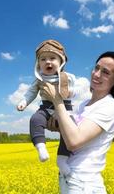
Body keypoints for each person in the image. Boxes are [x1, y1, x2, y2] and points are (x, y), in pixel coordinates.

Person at [41, 51, 114, 194]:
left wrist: (57, 100)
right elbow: (75, 135)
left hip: (83, 183)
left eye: (105, 72)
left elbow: (74, 141)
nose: (96, 74)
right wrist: (59, 126)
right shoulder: (84, 104)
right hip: (69, 179)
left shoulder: (110, 106)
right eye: (96, 68)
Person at [17, 39, 77, 175]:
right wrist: (23, 102)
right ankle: (41, 148)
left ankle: (62, 159)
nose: (48, 62)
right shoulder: (39, 80)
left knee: (70, 132)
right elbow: (30, 93)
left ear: (61, 62)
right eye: (43, 59)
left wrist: (69, 90)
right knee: (34, 120)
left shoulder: (68, 77)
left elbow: (75, 91)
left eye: (52, 58)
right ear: (38, 64)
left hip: (65, 110)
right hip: (46, 109)